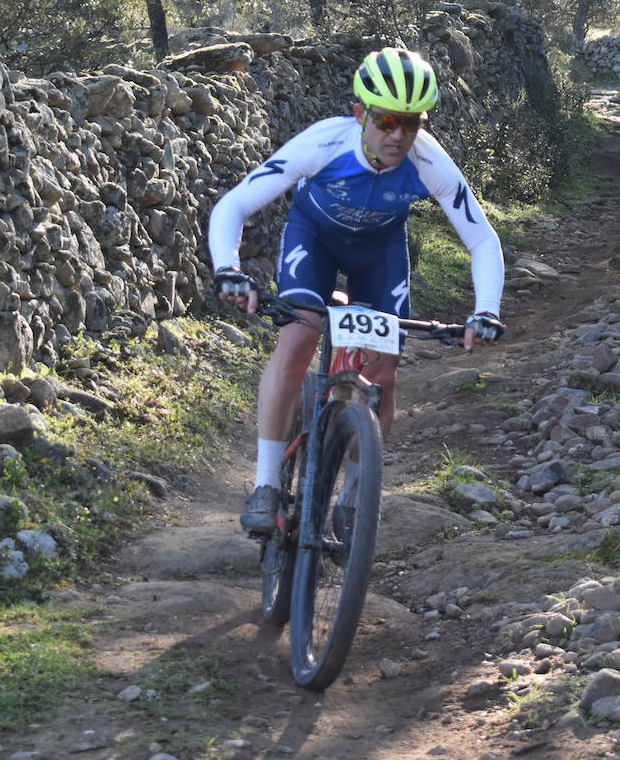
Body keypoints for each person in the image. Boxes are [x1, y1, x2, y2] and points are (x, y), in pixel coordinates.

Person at [208, 46, 506, 534]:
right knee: (299, 337)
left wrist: (486, 311)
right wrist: (228, 268)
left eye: (412, 123)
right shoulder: (324, 144)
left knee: (383, 370)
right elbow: (234, 205)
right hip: (315, 238)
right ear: (360, 114)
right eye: (387, 121)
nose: (399, 135)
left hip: (379, 251)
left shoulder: (428, 160)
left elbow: (481, 239)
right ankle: (265, 484)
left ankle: (354, 495)